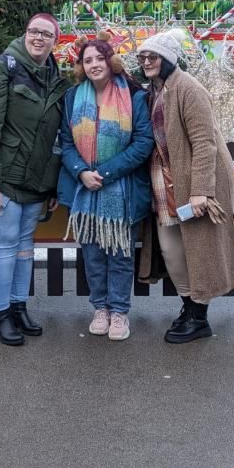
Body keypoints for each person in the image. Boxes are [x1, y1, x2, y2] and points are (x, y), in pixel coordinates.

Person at [0, 13, 68, 346]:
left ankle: (18, 307)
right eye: (34, 31)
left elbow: (53, 139)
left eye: (46, 34)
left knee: (23, 247)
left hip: (31, 181)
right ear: (24, 34)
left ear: (55, 41)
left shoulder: (53, 77)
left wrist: (49, 185)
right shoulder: (0, 69)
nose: (39, 38)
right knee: (3, 246)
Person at [136, 31, 234, 344]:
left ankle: (198, 317)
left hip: (195, 181)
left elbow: (204, 142)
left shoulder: (188, 87)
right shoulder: (155, 89)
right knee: (172, 250)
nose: (145, 62)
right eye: (142, 57)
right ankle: (190, 307)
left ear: (168, 58)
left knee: (200, 250)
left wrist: (201, 191)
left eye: (152, 56)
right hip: (167, 181)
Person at [57, 35, 154, 341]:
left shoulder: (134, 96)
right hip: (85, 190)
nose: (94, 65)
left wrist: (107, 172)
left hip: (121, 189)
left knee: (120, 254)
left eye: (100, 58)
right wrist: (82, 172)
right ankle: (100, 309)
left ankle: (119, 313)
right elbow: (66, 142)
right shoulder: (73, 97)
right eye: (88, 60)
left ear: (110, 61)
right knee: (93, 256)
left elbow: (144, 142)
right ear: (81, 67)